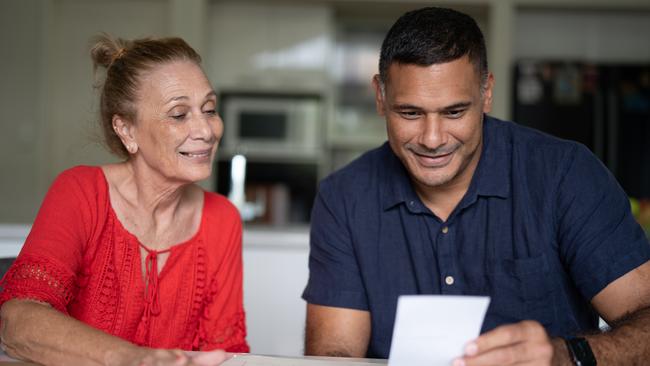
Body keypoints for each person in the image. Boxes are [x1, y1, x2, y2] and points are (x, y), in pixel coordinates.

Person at [302, 6, 650, 366]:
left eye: (454, 112)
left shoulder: (565, 175)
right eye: (410, 113)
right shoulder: (343, 197)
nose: (433, 139)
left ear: (486, 93)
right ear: (380, 96)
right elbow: (334, 357)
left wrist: (568, 355)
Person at [0, 34, 248, 366]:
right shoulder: (81, 192)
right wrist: (132, 359)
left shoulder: (222, 219)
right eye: (178, 114)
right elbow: (17, 322)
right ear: (127, 130)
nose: (206, 129)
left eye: (209, 109)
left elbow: (226, 352)